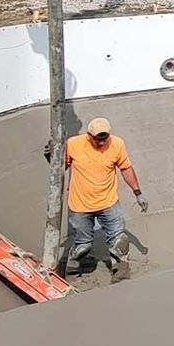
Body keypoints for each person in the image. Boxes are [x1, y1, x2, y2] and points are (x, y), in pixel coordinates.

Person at [62, 116, 148, 278]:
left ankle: (121, 272)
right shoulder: (73, 144)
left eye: (104, 138)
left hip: (108, 202)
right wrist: (51, 157)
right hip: (80, 204)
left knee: (119, 240)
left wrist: (138, 193)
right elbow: (60, 166)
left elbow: (126, 168)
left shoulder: (117, 144)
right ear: (89, 135)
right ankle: (72, 267)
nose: (101, 143)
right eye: (97, 139)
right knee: (83, 246)